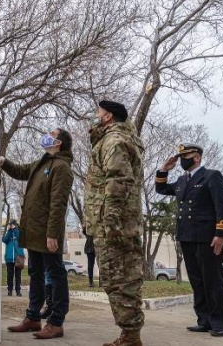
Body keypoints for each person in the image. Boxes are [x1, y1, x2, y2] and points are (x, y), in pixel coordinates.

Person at [0, 128, 74, 340]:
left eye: (52, 134)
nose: (47, 135)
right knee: (36, 274)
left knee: (56, 275)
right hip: (33, 231)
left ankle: (56, 322)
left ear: (58, 143)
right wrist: (5, 163)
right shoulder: (42, 163)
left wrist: (52, 235)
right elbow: (21, 171)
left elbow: (58, 204)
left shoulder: (62, 168)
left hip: (47, 233)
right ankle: (32, 318)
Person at [83, 100, 145, 346]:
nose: (96, 116)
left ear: (108, 116)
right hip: (119, 222)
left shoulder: (114, 141)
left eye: (99, 112)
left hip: (114, 225)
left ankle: (130, 336)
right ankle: (130, 335)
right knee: (125, 278)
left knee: (118, 280)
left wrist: (110, 220)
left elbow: (118, 179)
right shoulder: (117, 139)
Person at [155, 143, 223, 337]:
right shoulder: (182, 180)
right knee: (197, 281)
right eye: (180, 157)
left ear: (196, 157)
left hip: (207, 237)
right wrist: (164, 169)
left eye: (185, 156)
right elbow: (161, 189)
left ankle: (219, 323)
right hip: (186, 236)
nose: (182, 160)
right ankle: (204, 320)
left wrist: (221, 234)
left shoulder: (211, 176)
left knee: (212, 281)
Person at [2, 220, 25, 297]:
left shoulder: (19, 231)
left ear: (15, 225)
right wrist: (8, 231)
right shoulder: (8, 232)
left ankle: (18, 291)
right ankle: (9, 290)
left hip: (18, 257)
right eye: (10, 224)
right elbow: (4, 240)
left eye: (12, 224)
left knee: (18, 275)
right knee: (10, 275)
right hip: (9, 258)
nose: (11, 226)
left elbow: (20, 238)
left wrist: (15, 229)